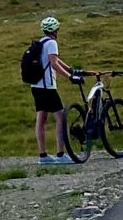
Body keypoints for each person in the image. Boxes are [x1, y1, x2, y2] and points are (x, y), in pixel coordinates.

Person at [25, 15, 85, 164]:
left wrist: (70, 69)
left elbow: (56, 60)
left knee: (41, 119)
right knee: (60, 117)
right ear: (55, 30)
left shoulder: (41, 42)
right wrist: (69, 77)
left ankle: (43, 156)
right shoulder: (52, 43)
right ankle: (60, 154)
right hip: (48, 87)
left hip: (36, 86)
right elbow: (54, 64)